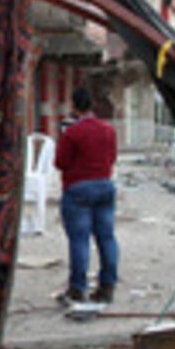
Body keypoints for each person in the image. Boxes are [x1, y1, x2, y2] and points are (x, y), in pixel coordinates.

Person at [54, 86, 119, 304]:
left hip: (78, 189)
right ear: (92, 105)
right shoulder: (108, 129)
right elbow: (112, 157)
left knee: (79, 240)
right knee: (106, 237)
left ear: (73, 107)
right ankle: (107, 287)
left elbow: (60, 163)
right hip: (104, 186)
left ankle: (77, 289)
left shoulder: (72, 132)